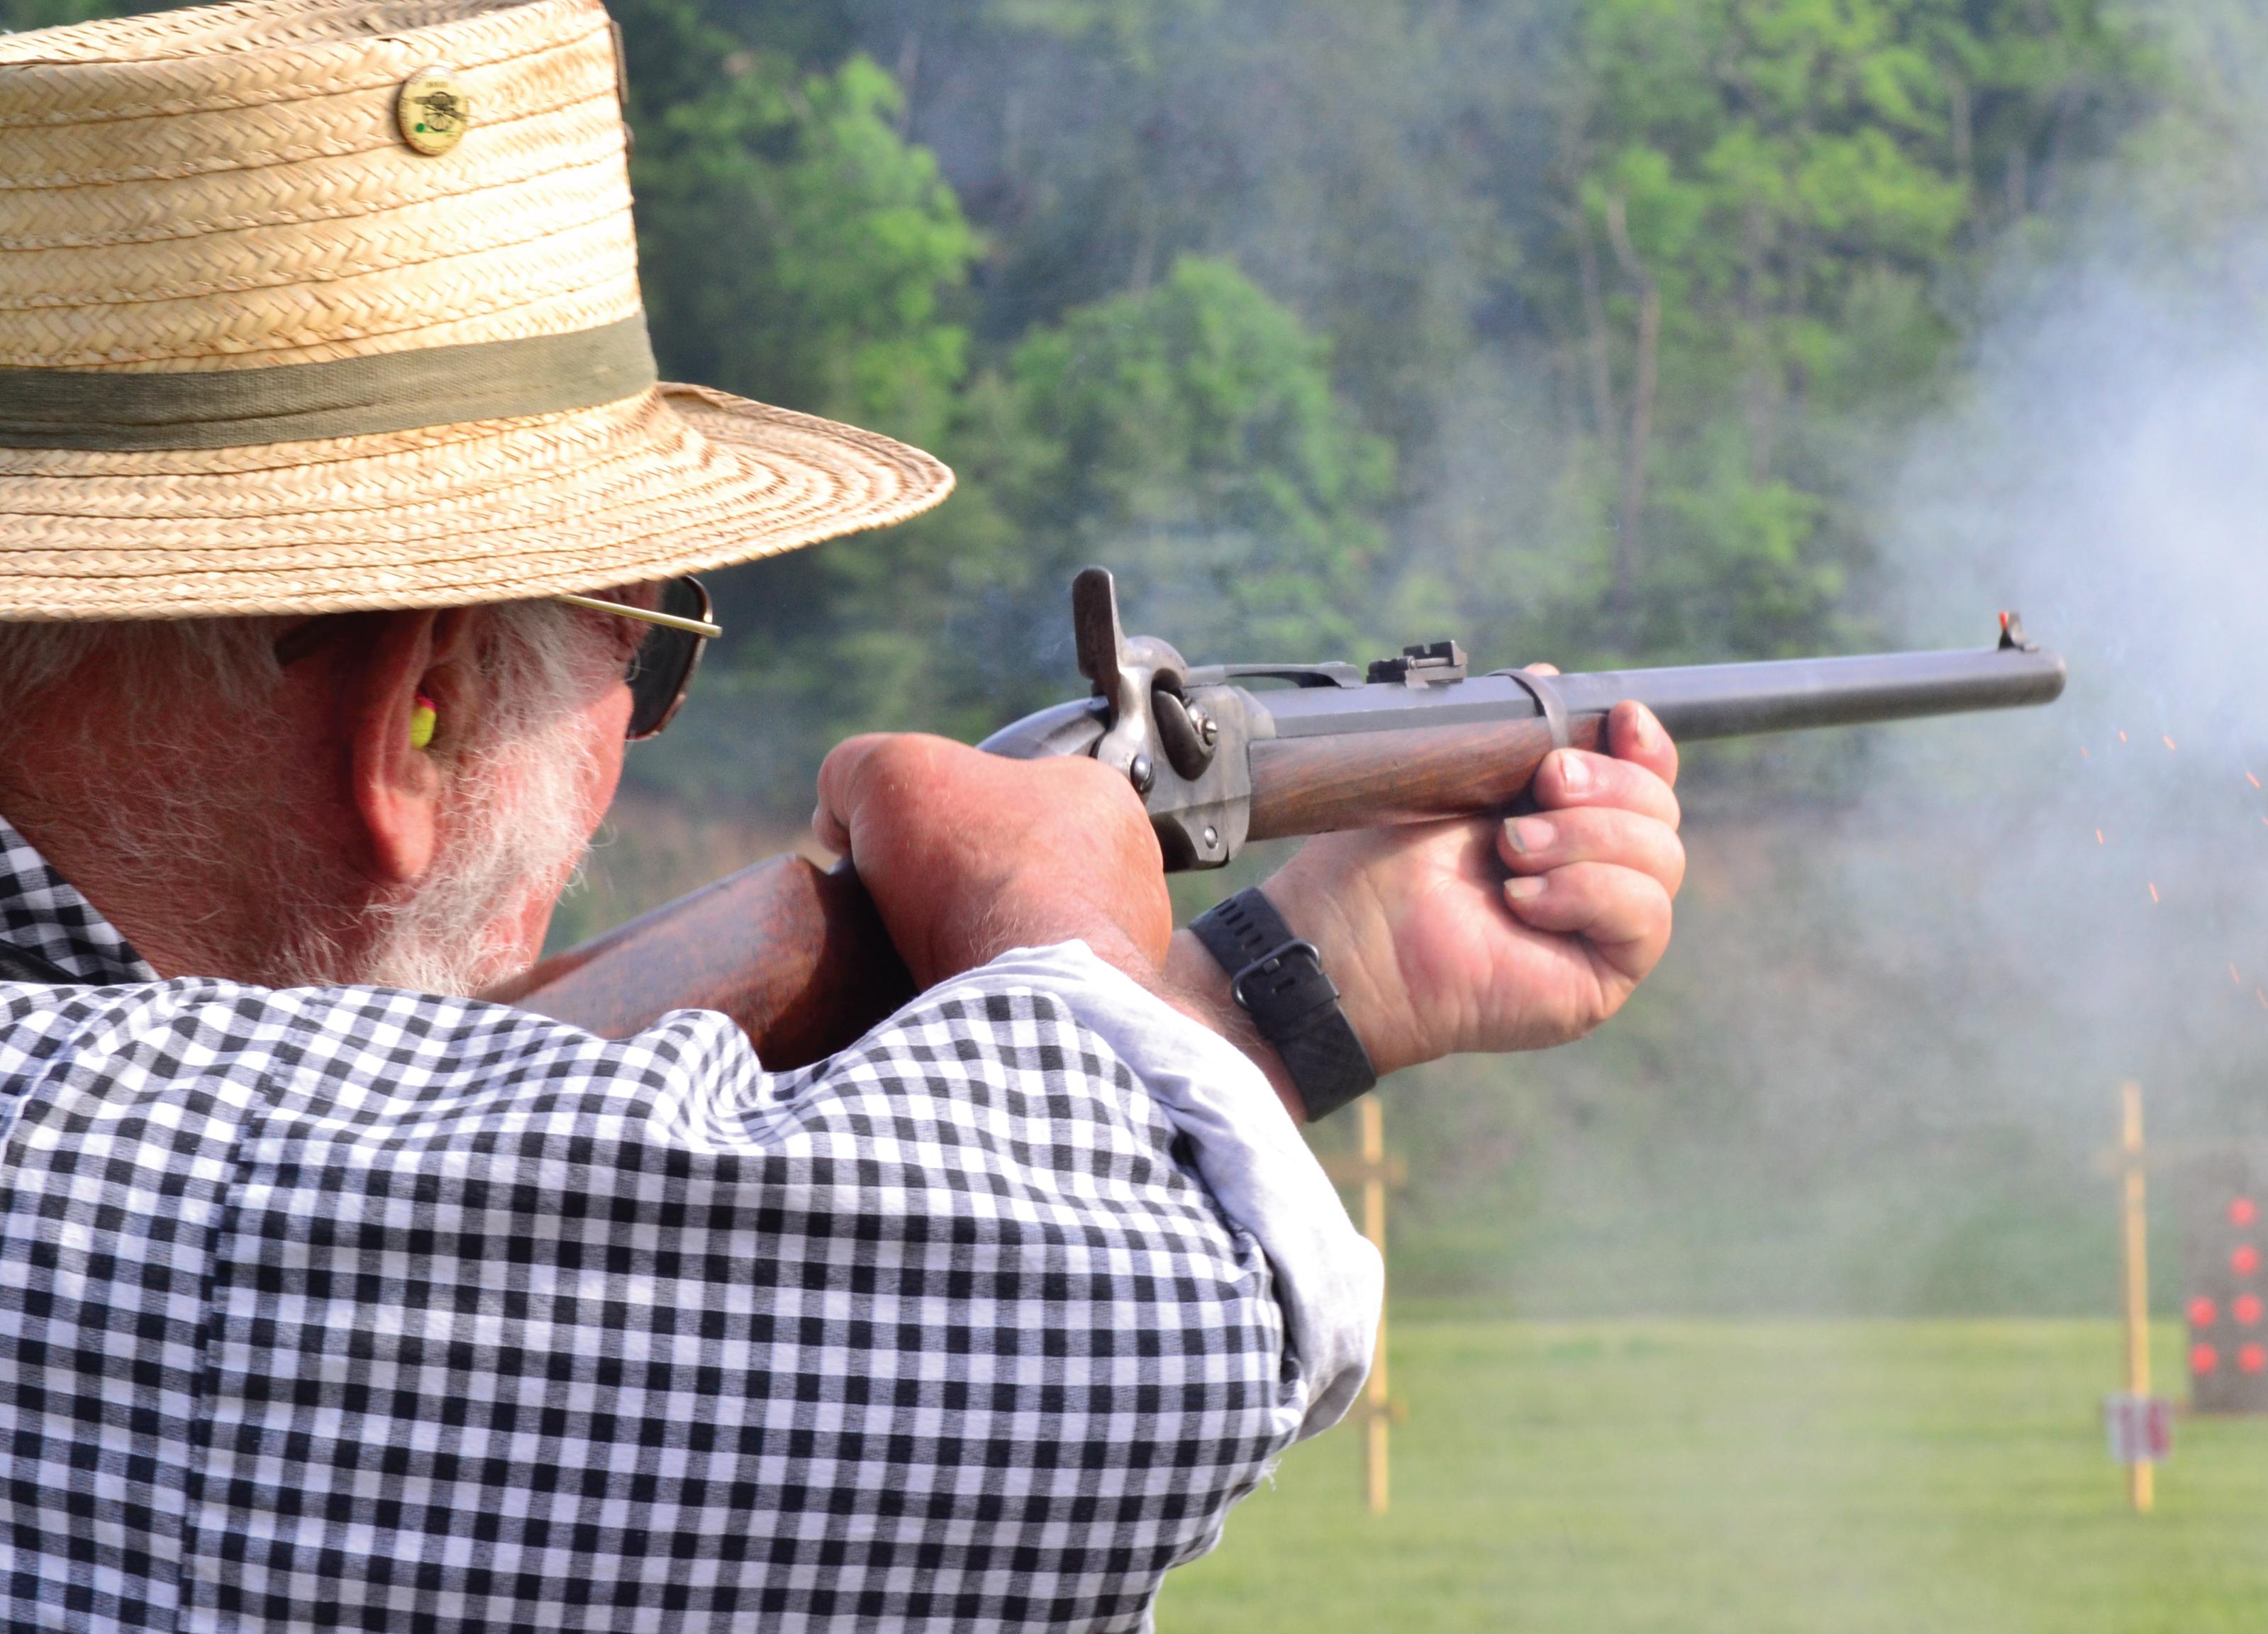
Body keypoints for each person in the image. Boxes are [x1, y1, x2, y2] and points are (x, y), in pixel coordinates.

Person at [0, 1, 1685, 1628]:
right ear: (417, 720)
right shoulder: (158, 1199)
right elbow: (1128, 1329)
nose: (636, 732)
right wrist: (1055, 905)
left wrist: (1280, 983)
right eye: (648, 653)